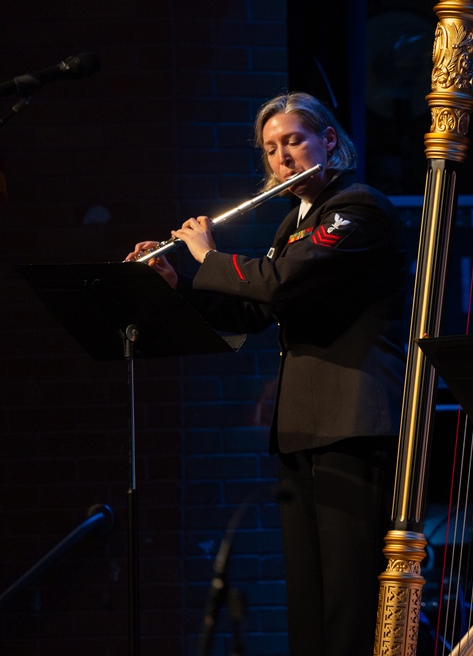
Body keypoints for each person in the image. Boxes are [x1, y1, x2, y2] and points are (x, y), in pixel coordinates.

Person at [127, 91, 407, 655]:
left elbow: (279, 282)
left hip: (355, 420)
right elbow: (255, 311)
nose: (282, 158)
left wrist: (207, 257)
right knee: (309, 596)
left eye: (294, 141)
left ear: (329, 141)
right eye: (271, 149)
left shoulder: (358, 209)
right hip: (304, 425)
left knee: (351, 595)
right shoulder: (293, 223)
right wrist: (177, 284)